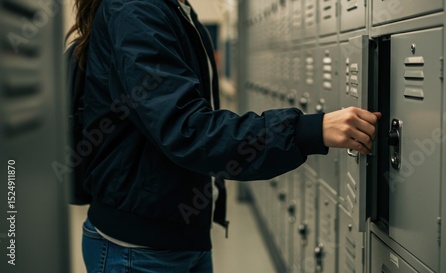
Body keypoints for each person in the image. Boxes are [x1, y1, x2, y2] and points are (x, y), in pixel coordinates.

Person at [66, 0, 381, 272]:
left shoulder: (168, 7)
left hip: (176, 237)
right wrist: (306, 131)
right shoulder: (136, 9)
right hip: (139, 250)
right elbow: (187, 128)